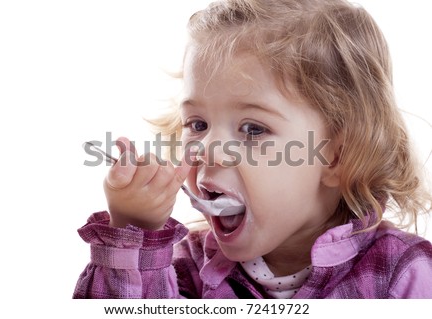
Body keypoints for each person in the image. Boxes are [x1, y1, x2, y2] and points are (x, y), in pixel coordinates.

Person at [73, 0, 432, 298]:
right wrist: (134, 230)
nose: (207, 151)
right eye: (197, 124)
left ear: (337, 156)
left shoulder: (404, 276)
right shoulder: (181, 270)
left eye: (253, 129)